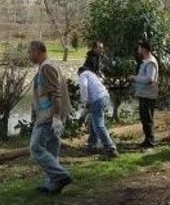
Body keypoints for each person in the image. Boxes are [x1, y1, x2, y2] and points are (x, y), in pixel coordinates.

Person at [28, 40, 73, 194]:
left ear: (37, 51)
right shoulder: (45, 67)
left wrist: (55, 117)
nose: (28, 55)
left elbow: (56, 93)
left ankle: (61, 175)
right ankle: (53, 184)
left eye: (30, 52)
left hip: (49, 116)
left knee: (35, 147)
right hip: (47, 114)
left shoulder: (47, 67)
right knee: (52, 151)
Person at [78, 66, 118, 158]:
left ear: (79, 72)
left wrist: (85, 100)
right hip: (104, 97)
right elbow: (89, 106)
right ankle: (92, 145)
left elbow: (84, 86)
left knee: (98, 125)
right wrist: (82, 116)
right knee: (93, 121)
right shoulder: (92, 75)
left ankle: (110, 148)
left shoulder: (83, 74)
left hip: (98, 100)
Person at [128, 40, 159, 149]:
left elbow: (150, 79)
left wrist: (134, 78)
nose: (138, 50)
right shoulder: (145, 61)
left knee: (147, 118)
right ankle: (147, 140)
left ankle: (150, 142)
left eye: (139, 48)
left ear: (144, 49)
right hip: (144, 94)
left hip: (148, 95)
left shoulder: (150, 62)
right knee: (144, 118)